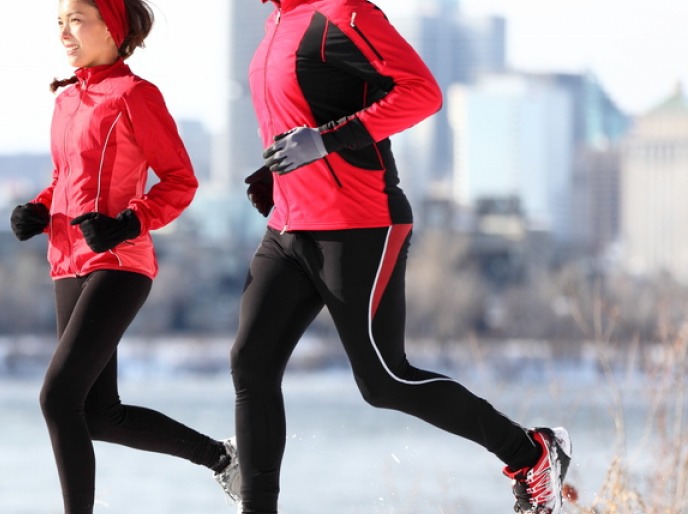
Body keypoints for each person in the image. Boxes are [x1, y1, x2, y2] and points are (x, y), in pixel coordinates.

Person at [229, 1, 572, 513]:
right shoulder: (277, 23)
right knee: (250, 365)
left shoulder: (343, 13)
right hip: (287, 226)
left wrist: (325, 143)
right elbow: (303, 111)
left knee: (383, 380)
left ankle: (531, 453)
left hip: (358, 224)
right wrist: (277, 174)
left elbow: (421, 93)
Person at [9, 0, 241, 512]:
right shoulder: (67, 100)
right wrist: (39, 210)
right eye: (60, 22)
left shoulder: (136, 96)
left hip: (119, 264)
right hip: (66, 264)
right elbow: (65, 180)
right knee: (98, 414)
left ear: (111, 27)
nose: (65, 32)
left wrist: (129, 221)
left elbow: (181, 181)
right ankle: (224, 461)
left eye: (77, 20)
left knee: (56, 397)